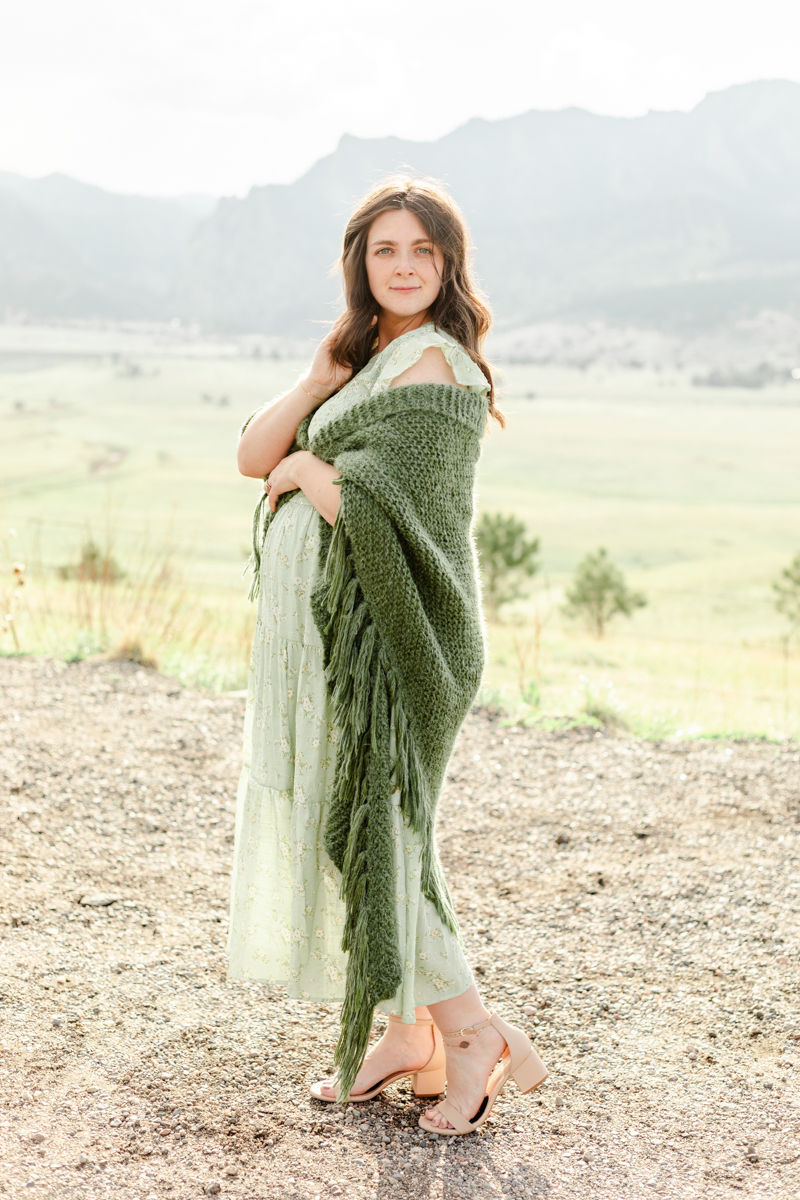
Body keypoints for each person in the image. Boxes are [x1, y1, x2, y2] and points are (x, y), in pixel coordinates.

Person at [229, 178, 548, 1134]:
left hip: (402, 642)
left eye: (422, 251)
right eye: (384, 251)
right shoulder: (370, 358)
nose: (403, 266)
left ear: (447, 265)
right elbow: (252, 453)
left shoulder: (441, 370)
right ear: (361, 266)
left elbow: (398, 520)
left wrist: (310, 469)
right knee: (359, 830)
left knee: (384, 835)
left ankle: (473, 1034)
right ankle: (407, 1033)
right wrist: (318, 386)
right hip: (336, 642)